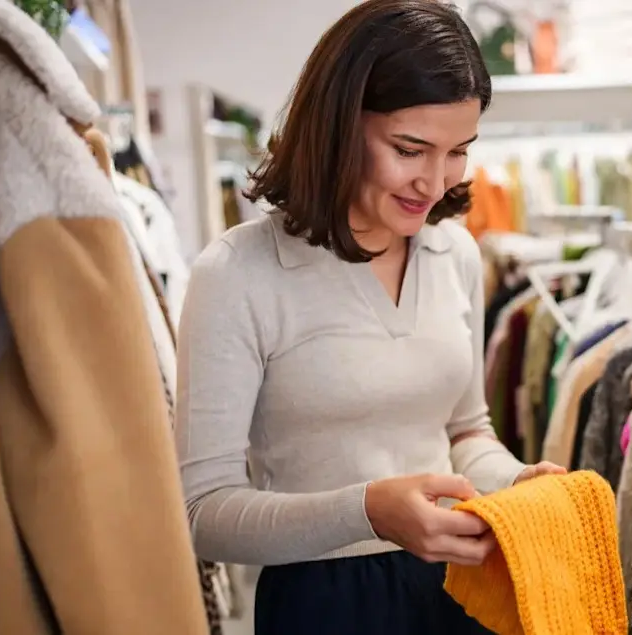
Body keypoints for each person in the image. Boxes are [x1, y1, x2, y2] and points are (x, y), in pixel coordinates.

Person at [174, 1, 564, 632]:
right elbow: (203, 514)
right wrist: (369, 512)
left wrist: (518, 481)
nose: (435, 183)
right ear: (338, 125)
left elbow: (466, 432)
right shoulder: (238, 271)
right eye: (409, 150)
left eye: (458, 152)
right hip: (322, 603)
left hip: (463, 588)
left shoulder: (455, 254)